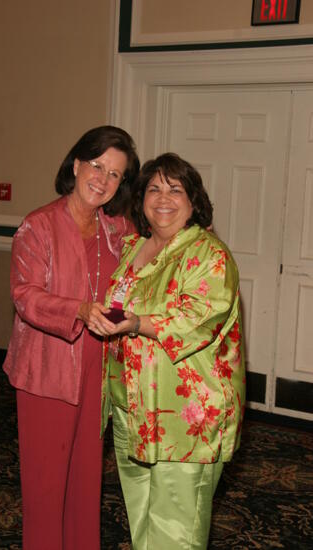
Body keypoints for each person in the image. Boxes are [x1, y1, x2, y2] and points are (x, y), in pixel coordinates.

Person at [2, 125, 139, 550]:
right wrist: (78, 309)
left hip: (97, 369)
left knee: (85, 483)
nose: (103, 179)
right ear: (77, 164)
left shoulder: (117, 228)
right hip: (48, 369)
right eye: (97, 165)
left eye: (115, 173)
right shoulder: (38, 225)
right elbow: (25, 296)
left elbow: (143, 269)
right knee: (47, 488)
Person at [100, 153, 246, 550]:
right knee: (144, 520)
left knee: (176, 530)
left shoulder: (209, 254)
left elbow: (196, 318)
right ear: (141, 199)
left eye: (175, 189)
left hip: (187, 418)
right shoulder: (134, 247)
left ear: (194, 201)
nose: (163, 198)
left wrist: (136, 323)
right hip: (134, 407)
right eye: (154, 189)